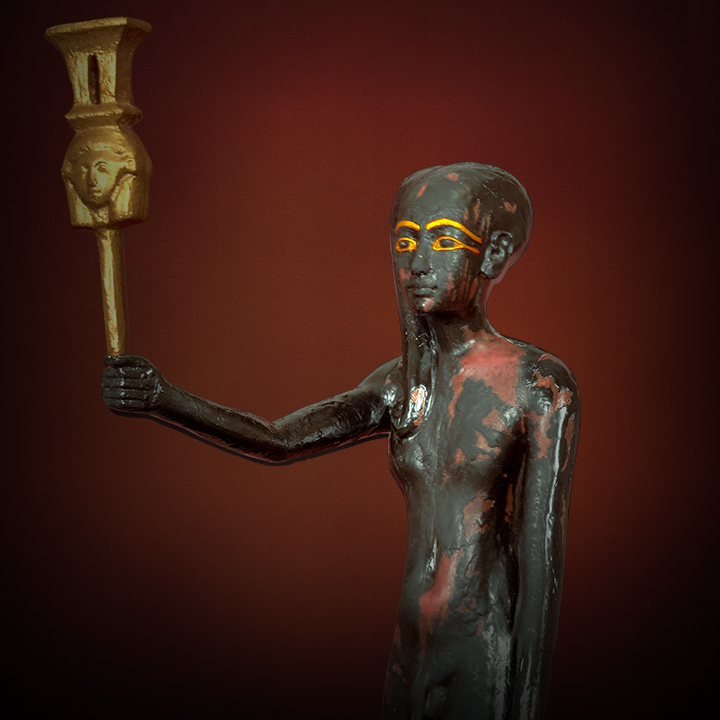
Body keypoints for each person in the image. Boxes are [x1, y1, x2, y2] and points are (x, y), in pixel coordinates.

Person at [102, 162, 580, 720]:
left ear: (494, 253)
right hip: (410, 644)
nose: (418, 263)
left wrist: (526, 702)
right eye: (405, 241)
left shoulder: (537, 385)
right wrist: (163, 398)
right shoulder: (401, 384)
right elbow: (280, 439)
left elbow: (541, 569)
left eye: (445, 240)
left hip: (483, 646)